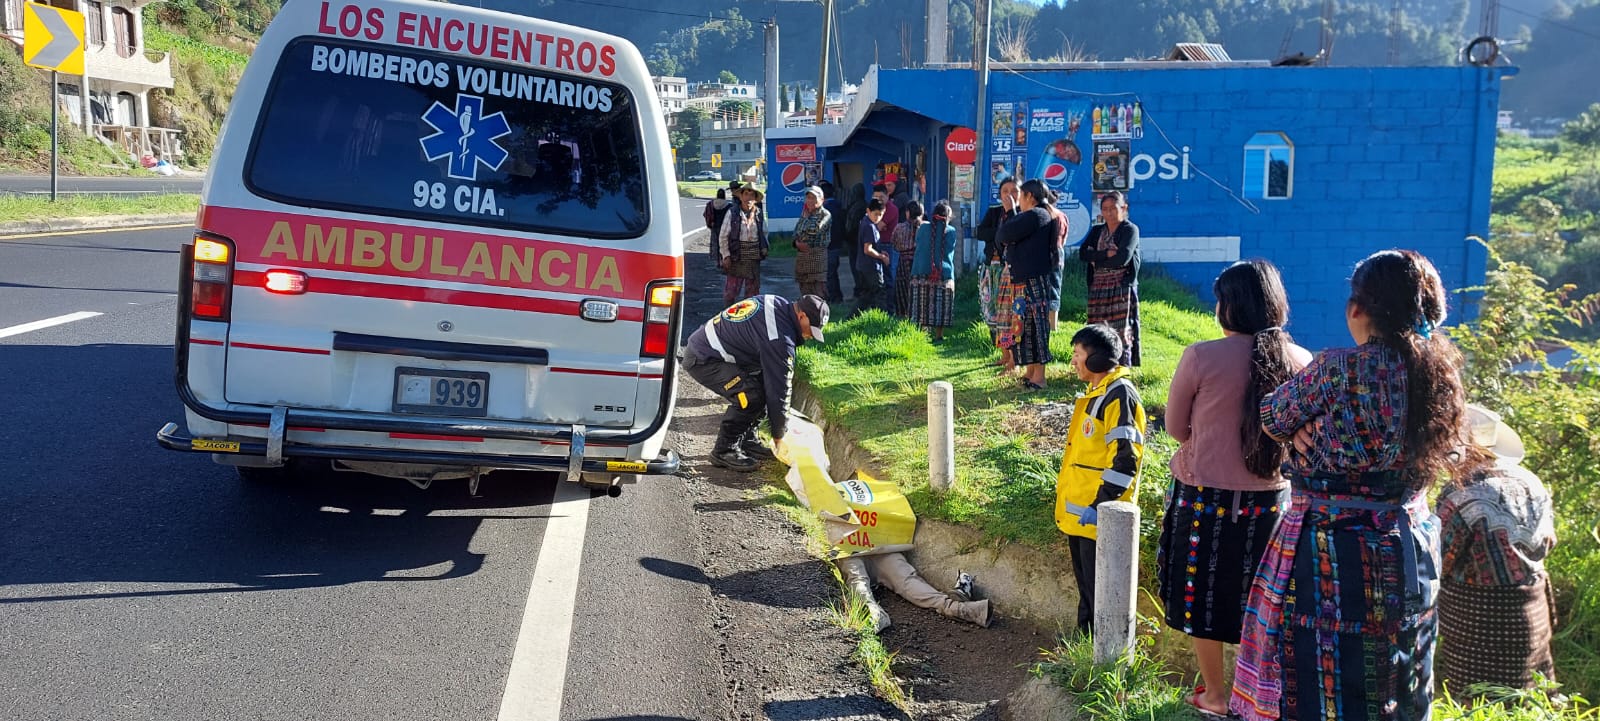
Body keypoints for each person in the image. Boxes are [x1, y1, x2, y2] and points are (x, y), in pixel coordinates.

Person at [1231, 249, 1466, 721]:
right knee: (1402, 672)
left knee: (1323, 675)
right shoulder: (1441, 374)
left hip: (1330, 551)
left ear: (1359, 309)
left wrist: (1300, 431)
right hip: (1409, 547)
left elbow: (1274, 416)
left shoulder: (1338, 368)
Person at [1158, 260, 1313, 718]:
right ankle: (1256, 694)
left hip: (1203, 498)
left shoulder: (1202, 356)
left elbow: (1174, 428)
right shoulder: (1301, 360)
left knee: (1202, 596)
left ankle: (1215, 694)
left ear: (1230, 305)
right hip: (1272, 503)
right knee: (1262, 599)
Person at [1435, 404, 1558, 693]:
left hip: (1476, 617)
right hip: (1530, 609)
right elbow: (1549, 541)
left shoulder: (1459, 493)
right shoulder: (1532, 481)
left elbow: (1438, 559)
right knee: (1531, 693)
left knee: (1478, 696)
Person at [1054, 324, 1146, 636]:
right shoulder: (1099, 394)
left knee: (1099, 595)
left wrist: (1101, 504)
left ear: (1095, 360)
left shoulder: (1119, 395)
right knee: (1088, 593)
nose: (1073, 361)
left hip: (1101, 516)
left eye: (1077, 355)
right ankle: (1083, 650)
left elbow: (1125, 457)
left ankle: (1099, 659)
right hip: (1084, 517)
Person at [681, 294, 830, 472]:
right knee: (750, 397)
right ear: (801, 316)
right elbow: (779, 390)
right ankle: (724, 450)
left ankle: (747, 439)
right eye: (811, 329)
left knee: (761, 386)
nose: (810, 336)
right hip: (705, 358)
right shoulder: (779, 339)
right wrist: (779, 436)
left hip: (712, 348)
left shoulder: (777, 302)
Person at [996, 179, 1064, 391]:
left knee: (1036, 327)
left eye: (1020, 196)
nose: (1017, 200)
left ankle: (1039, 377)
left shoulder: (1037, 215)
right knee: (1024, 327)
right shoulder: (1039, 215)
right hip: (1026, 279)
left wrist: (1011, 211)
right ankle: (1031, 372)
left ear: (1029, 197)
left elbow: (1005, 234)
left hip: (1033, 280)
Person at [1078, 191, 1142, 366]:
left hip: (1120, 286)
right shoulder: (1097, 231)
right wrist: (1105, 254)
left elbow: (1124, 257)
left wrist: (1096, 260)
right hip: (1098, 286)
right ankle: (1097, 364)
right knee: (1097, 328)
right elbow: (1083, 254)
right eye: (1105, 209)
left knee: (1120, 327)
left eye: (1113, 209)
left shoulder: (1130, 230)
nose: (1109, 213)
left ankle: (1121, 365)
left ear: (1123, 208)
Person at [975, 178, 1019, 373]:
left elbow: (1013, 235)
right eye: (1005, 191)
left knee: (1009, 316)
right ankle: (1003, 353)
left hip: (1009, 270)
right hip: (991, 267)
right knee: (993, 314)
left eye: (1014, 191)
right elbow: (980, 232)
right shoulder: (994, 212)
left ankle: (1012, 356)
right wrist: (1000, 232)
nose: (1009, 195)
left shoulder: (1021, 215)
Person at [911, 200, 958, 343]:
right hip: (943, 273)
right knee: (941, 304)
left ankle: (922, 334)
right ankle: (939, 335)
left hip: (920, 271)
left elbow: (917, 245)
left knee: (922, 304)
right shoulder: (951, 231)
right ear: (947, 217)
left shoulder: (923, 228)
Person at [719, 184, 768, 307]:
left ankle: (749, 319)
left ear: (756, 199)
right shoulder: (732, 213)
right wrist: (726, 255)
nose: (748, 198)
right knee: (731, 292)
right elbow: (723, 236)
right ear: (741, 196)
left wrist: (764, 247)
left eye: (752, 195)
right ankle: (728, 318)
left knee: (752, 293)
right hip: (736, 256)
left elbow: (764, 232)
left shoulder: (759, 213)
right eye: (746, 194)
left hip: (753, 257)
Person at [792, 186, 832, 299]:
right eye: (808, 198)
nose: (810, 201)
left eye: (813, 198)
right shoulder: (804, 214)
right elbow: (795, 232)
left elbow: (815, 231)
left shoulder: (825, 215)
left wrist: (806, 221)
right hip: (802, 258)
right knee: (804, 290)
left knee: (818, 291)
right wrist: (797, 243)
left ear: (822, 200)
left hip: (817, 258)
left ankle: (820, 314)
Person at [852, 199, 890, 315]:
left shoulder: (865, 222)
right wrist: (881, 257)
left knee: (867, 295)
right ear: (868, 211)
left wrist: (880, 251)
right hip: (871, 267)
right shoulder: (870, 226)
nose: (878, 217)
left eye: (881, 215)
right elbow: (867, 249)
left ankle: (852, 316)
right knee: (880, 292)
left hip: (863, 265)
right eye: (875, 214)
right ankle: (882, 318)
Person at [890, 200, 923, 319]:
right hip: (919, 262)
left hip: (903, 262)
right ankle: (919, 314)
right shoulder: (924, 227)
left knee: (903, 290)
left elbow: (893, 243)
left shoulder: (899, 227)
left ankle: (903, 315)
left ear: (907, 213)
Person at [872, 184, 900, 314]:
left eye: (881, 197)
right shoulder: (874, 207)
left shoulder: (891, 209)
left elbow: (877, 226)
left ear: (887, 196)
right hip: (877, 245)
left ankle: (890, 309)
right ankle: (879, 308)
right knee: (877, 277)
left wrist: (877, 225)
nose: (879, 199)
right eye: (876, 197)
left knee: (889, 277)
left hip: (888, 246)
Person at [704, 180, 743, 271]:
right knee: (725, 244)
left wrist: (710, 223)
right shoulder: (728, 205)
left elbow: (706, 214)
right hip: (725, 226)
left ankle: (717, 261)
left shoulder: (711, 204)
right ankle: (723, 260)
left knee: (716, 243)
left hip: (715, 226)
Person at [822, 181, 847, 303]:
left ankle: (834, 298)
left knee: (829, 274)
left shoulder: (825, 210)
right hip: (837, 243)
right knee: (832, 272)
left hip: (829, 245)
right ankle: (836, 297)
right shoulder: (839, 206)